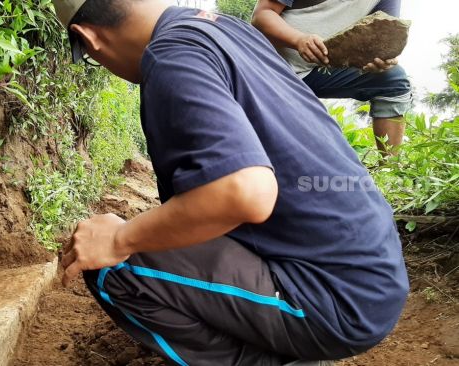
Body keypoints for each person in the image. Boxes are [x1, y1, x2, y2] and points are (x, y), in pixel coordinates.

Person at [53, 0, 409, 365]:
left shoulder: (170, 54)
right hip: (373, 274)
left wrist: (117, 239)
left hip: (333, 300)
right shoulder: (230, 29)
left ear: (89, 37)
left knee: (111, 264)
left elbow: (246, 192)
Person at [251, 0, 412, 155]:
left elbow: (387, 33)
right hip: (268, 66)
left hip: (317, 70)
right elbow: (262, 15)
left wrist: (382, 61)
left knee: (392, 80)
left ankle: (391, 169)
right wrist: (298, 40)